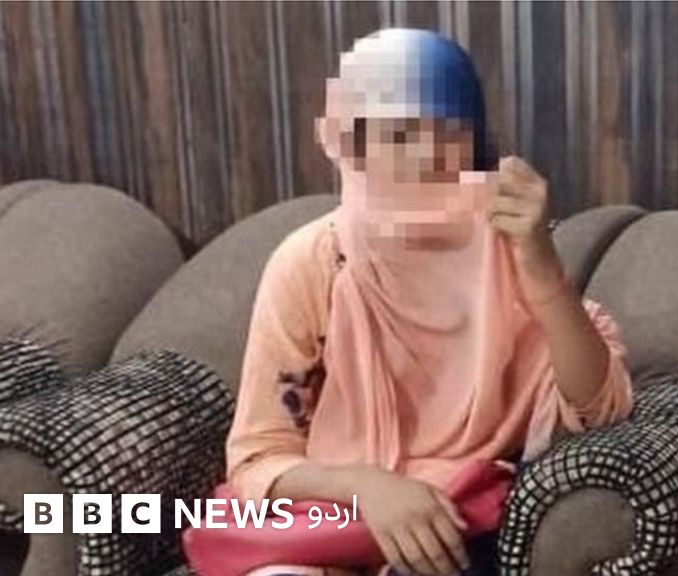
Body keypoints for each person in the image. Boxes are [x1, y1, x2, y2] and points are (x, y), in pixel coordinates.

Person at [223, 28, 633, 576]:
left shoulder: (512, 249)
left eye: (448, 132)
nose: (426, 156)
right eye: (398, 135)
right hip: (331, 524)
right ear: (355, 146)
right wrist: (368, 488)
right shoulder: (315, 263)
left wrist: (542, 268)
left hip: (461, 526)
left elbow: (601, 406)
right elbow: (257, 456)